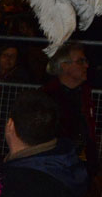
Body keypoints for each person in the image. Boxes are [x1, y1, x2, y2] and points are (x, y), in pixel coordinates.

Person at [42, 42, 99, 179]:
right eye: (80, 61)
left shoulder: (86, 93)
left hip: (81, 166)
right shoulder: (47, 96)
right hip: (55, 167)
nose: (86, 65)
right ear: (64, 65)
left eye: (85, 60)